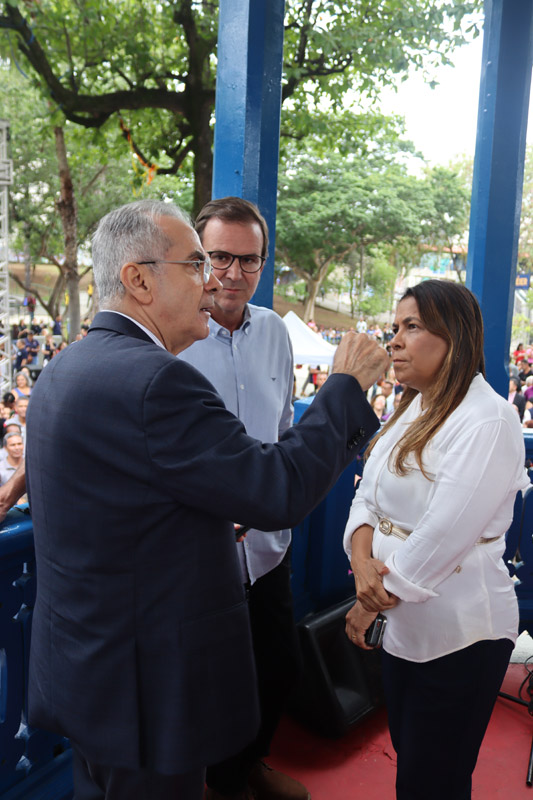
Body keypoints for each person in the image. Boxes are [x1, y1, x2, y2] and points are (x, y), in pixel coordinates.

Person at [25, 199, 389, 800]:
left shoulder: (71, 366)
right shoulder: (156, 381)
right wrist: (344, 388)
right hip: (144, 686)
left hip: (91, 670)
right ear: (139, 279)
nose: (214, 280)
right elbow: (275, 488)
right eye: (198, 263)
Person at [343, 279, 528, 800]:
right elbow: (366, 499)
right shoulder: (412, 409)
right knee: (413, 756)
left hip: (461, 632)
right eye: (395, 327)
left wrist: (368, 604)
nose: (394, 340)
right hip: (402, 621)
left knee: (434, 776)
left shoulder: (489, 418)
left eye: (413, 327)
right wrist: (361, 563)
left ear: (455, 337)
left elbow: (445, 534)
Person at [179, 196, 301, 800]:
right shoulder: (170, 337)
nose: (233, 274)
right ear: (197, 258)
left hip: (268, 549)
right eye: (219, 256)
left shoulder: (276, 331)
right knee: (206, 685)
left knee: (278, 668)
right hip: (200, 554)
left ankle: (249, 764)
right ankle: (213, 783)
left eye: (248, 260)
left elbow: (281, 433)